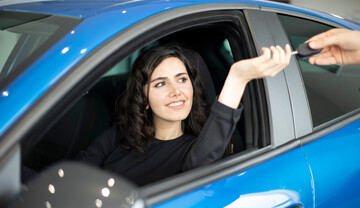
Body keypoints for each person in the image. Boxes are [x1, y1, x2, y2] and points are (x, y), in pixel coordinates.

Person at [77, 44, 291, 186]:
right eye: (161, 83)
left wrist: (237, 78)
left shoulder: (194, 150)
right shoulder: (118, 135)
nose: (176, 91)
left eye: (182, 79)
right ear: (143, 99)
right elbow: (76, 178)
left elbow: (205, 156)